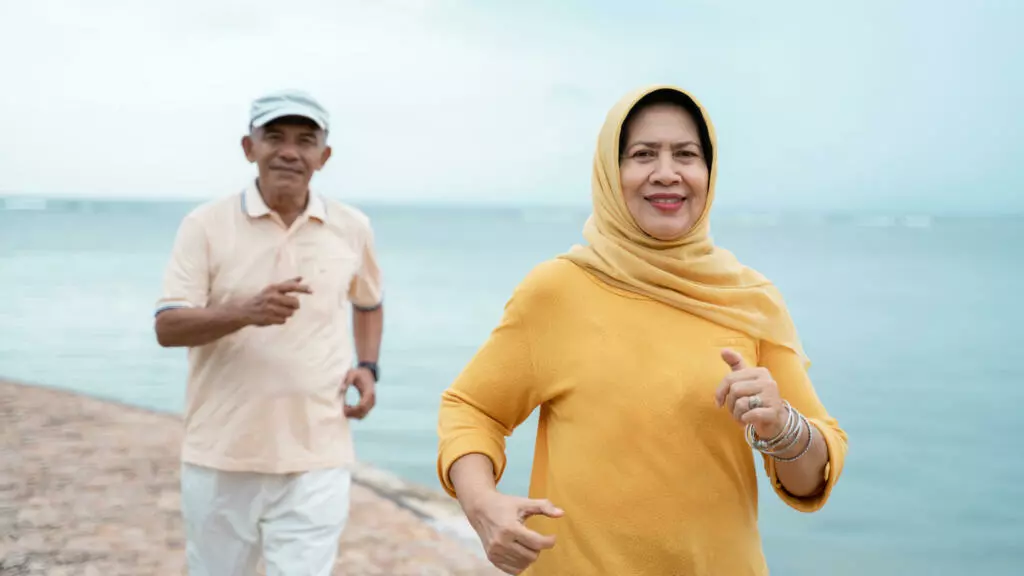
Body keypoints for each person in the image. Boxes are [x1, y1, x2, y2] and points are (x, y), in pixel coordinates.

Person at [436, 84, 848, 575]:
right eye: (643, 155)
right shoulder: (558, 290)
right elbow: (473, 408)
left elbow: (811, 478)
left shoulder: (750, 301)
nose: (667, 173)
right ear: (613, 172)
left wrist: (781, 425)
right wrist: (482, 504)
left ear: (708, 173)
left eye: (686, 155)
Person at [153, 89, 385, 576]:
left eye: (305, 140)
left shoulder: (352, 226)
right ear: (248, 147)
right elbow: (168, 327)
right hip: (221, 455)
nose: (289, 151)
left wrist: (367, 366)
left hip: (319, 452)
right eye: (274, 136)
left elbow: (368, 302)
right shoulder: (205, 225)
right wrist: (244, 311)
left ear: (324, 157)